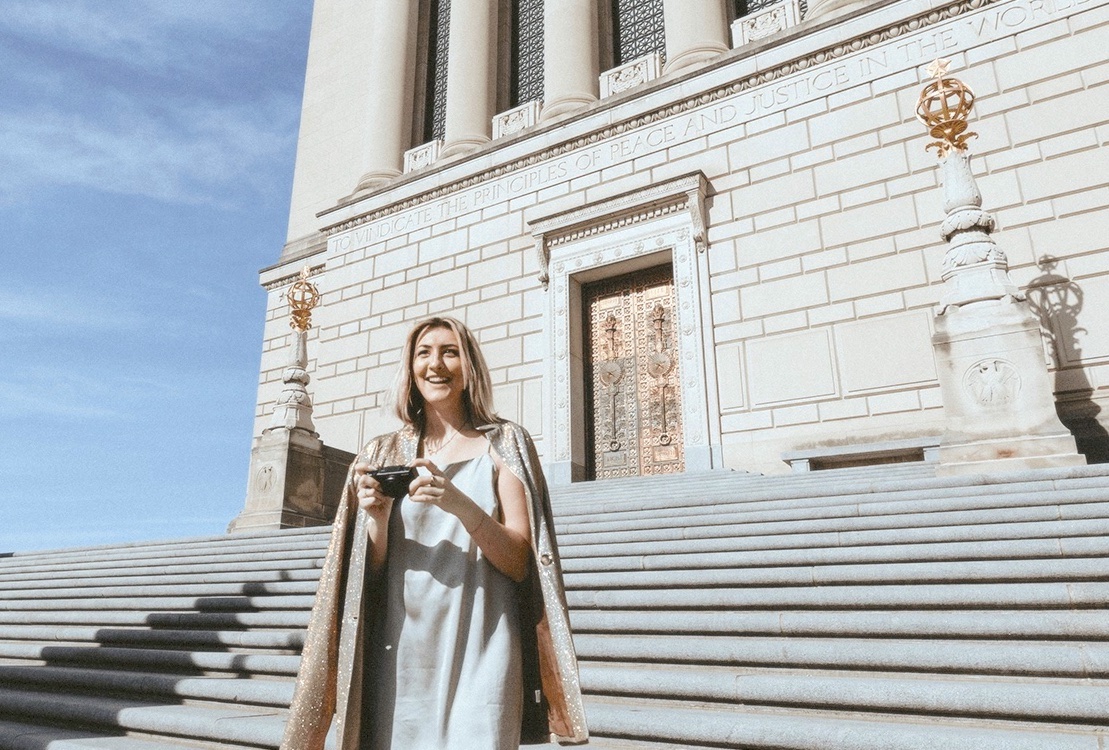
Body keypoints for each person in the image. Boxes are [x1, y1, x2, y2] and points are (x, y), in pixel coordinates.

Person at [282, 316, 588, 750]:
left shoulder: (505, 444)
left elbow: (521, 561)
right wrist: (378, 517)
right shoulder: (381, 452)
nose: (435, 363)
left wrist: (458, 502)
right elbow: (367, 575)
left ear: (470, 368)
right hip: (402, 649)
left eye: (449, 351)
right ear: (410, 369)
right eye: (423, 353)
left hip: (485, 643)